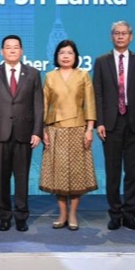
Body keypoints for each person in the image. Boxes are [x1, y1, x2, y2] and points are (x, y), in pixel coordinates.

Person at [93, 21, 135, 231]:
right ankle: (115, 214)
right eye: (116, 33)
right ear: (111, 36)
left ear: (131, 36)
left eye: (124, 33)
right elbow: (98, 94)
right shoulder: (101, 61)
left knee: (133, 171)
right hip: (111, 123)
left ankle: (129, 214)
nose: (120, 36)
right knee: (113, 172)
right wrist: (100, 122)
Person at [0, 35, 43, 232]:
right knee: (1, 178)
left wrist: (37, 131)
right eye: (8, 47)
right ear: (2, 52)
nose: (12, 50)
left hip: (24, 133)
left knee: (22, 178)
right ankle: (4, 216)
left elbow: (38, 105)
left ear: (22, 51)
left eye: (16, 47)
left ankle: (21, 216)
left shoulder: (32, 73)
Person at [39, 40, 97, 231]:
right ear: (56, 56)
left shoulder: (83, 75)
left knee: (76, 174)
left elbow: (90, 103)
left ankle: (73, 214)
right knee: (59, 174)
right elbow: (43, 105)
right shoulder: (49, 76)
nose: (65, 56)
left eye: (70, 53)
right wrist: (42, 130)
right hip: (55, 129)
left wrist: (89, 129)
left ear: (75, 56)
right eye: (62, 52)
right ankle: (62, 213)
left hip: (78, 129)